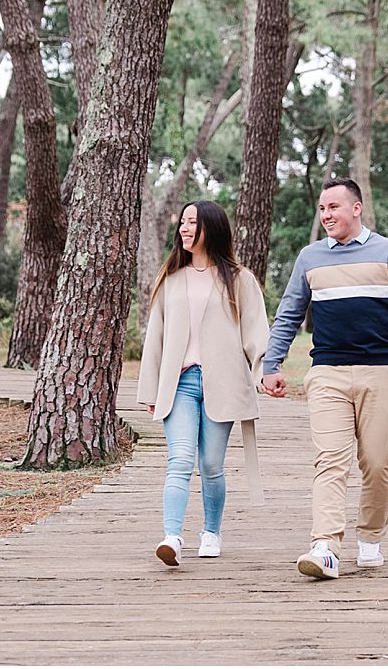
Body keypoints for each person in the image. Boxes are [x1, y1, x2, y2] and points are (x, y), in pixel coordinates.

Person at [261, 178, 388, 580]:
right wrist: (271, 364)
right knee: (330, 461)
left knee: (377, 462)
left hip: (381, 373)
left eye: (334, 207)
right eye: (322, 209)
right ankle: (326, 547)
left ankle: (370, 538)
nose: (326, 216)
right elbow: (288, 314)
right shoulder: (310, 258)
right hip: (327, 374)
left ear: (357, 208)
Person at [138, 200, 270, 567]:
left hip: (222, 383)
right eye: (182, 222)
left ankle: (211, 532)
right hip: (179, 384)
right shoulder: (171, 278)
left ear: (211, 227)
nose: (184, 228)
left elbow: (256, 332)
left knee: (211, 464)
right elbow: (156, 337)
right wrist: (150, 389)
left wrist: (263, 373)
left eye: (192, 222)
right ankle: (172, 537)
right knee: (179, 459)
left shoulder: (239, 279)